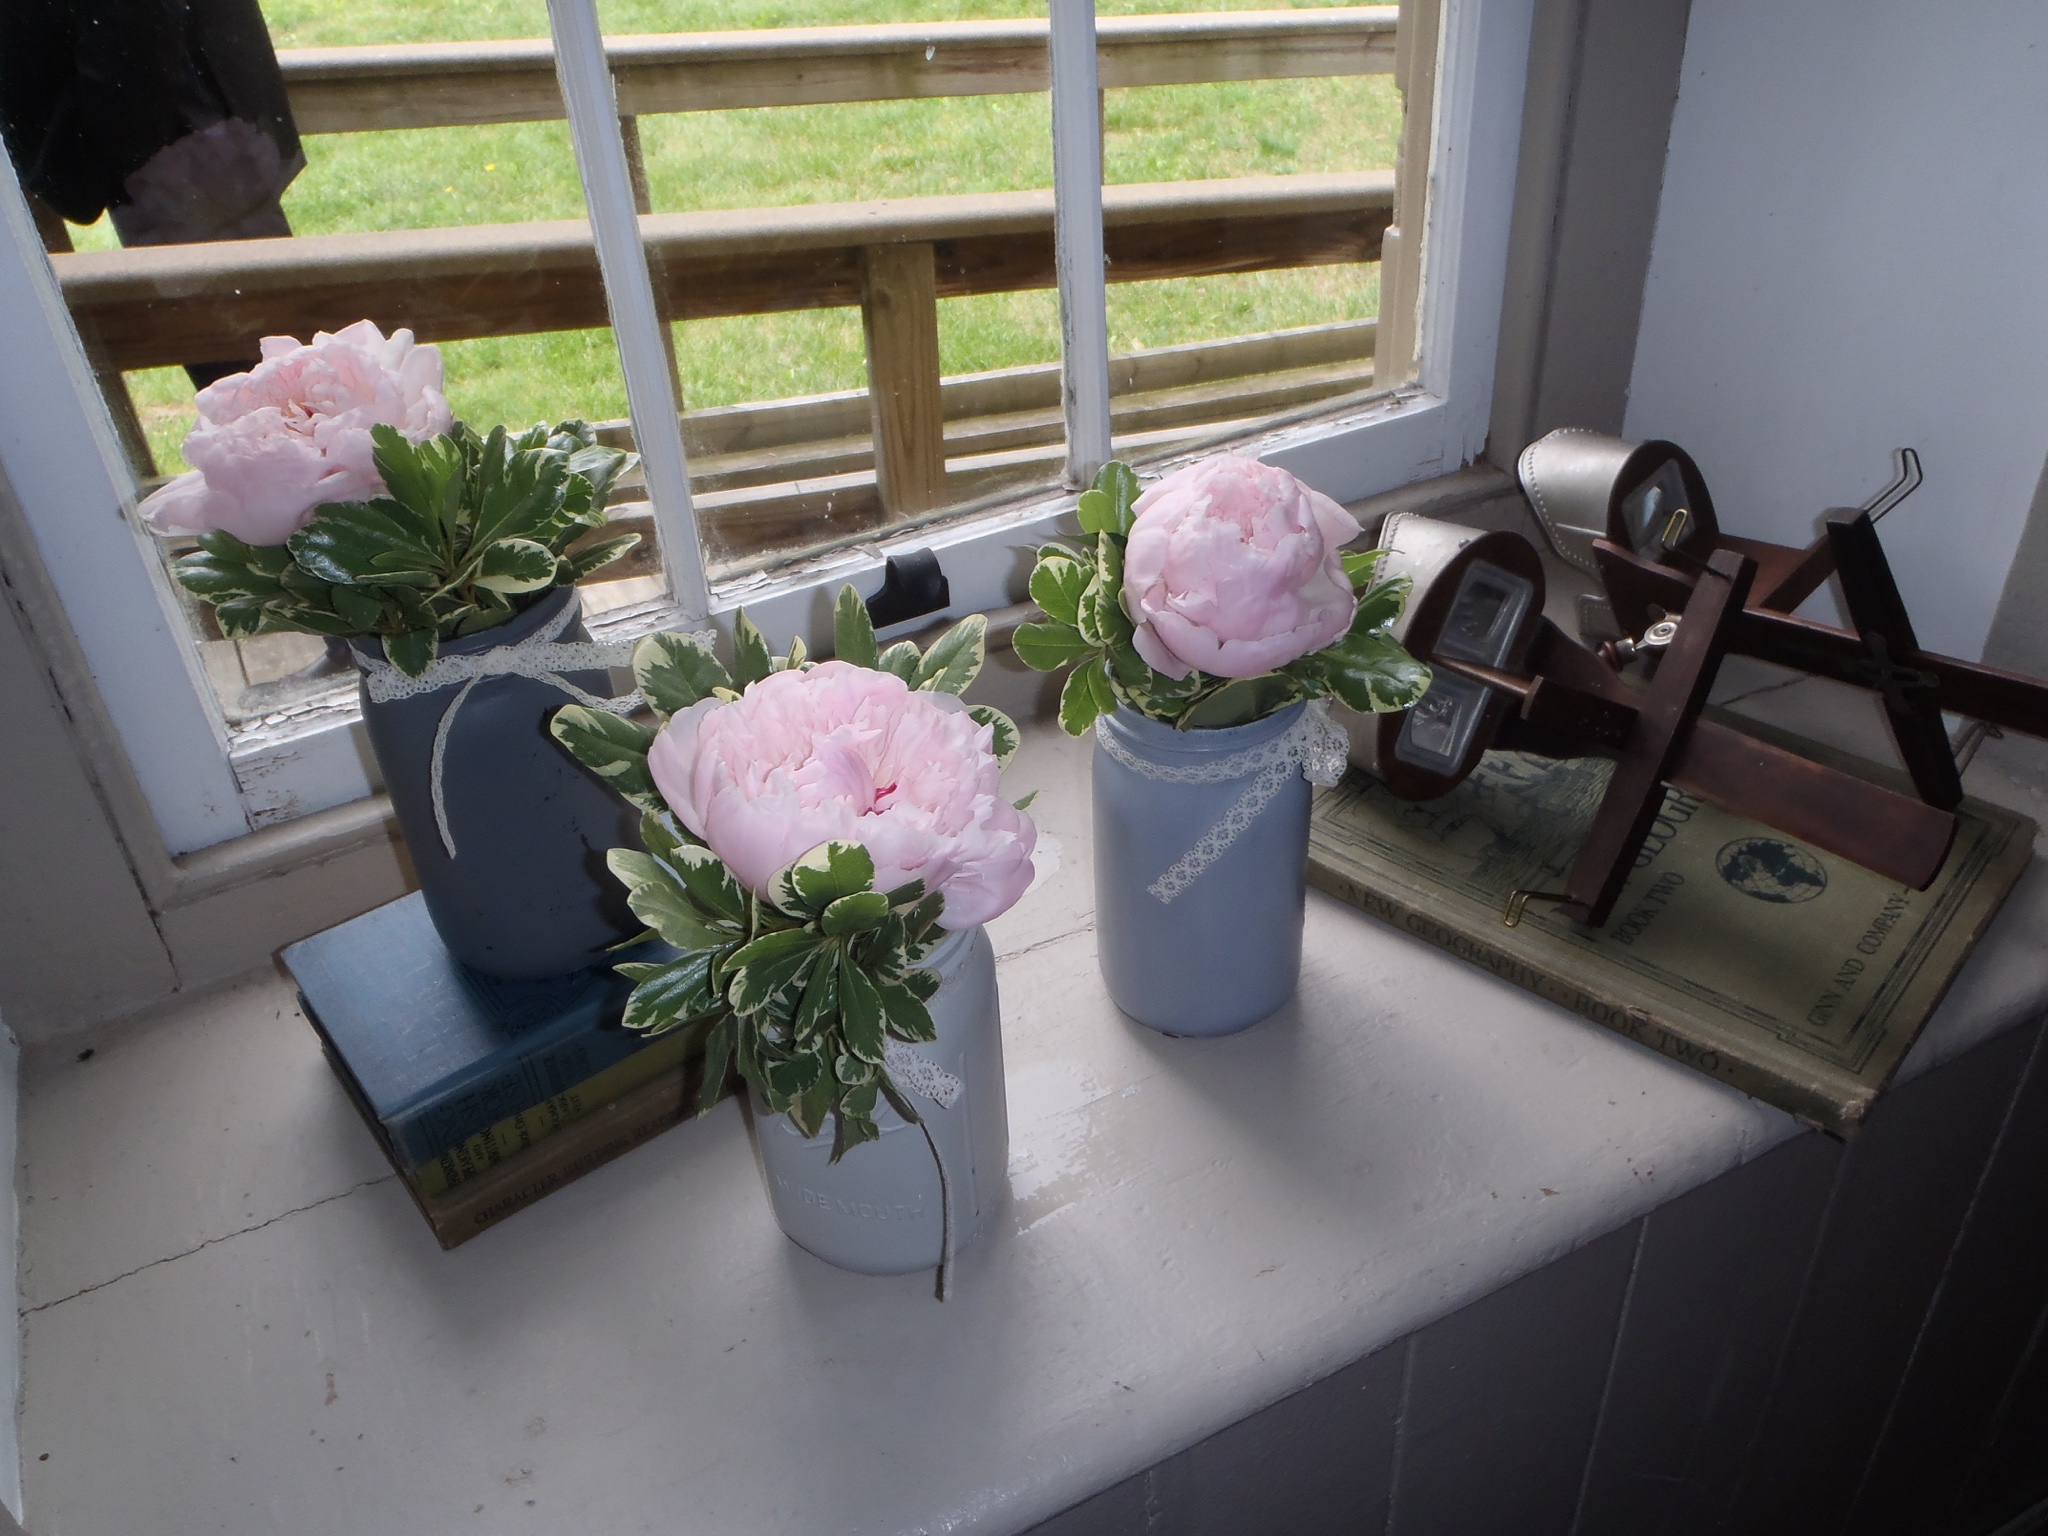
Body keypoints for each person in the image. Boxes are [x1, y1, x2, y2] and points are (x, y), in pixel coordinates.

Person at [1, 0, 304, 385]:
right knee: (259, 377)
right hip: (161, 119)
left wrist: (110, 145)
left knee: (265, 384)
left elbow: (134, 23)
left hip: (172, 133)